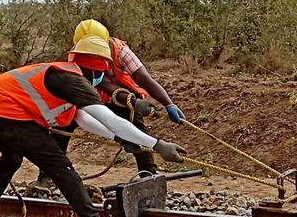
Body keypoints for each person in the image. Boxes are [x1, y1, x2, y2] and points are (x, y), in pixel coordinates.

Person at [0, 35, 187, 217]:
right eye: (103, 71)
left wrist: (118, 138)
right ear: (97, 66)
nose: (103, 77)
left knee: (11, 159)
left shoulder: (65, 75)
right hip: (6, 115)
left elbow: (83, 119)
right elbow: (107, 117)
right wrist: (158, 145)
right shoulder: (73, 80)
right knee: (62, 168)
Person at [30, 19, 184, 190]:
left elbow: (143, 78)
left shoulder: (121, 51)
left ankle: (147, 175)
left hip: (122, 98)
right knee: (64, 122)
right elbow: (96, 81)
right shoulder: (79, 54)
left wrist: (168, 104)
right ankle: (48, 176)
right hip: (91, 97)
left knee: (136, 130)